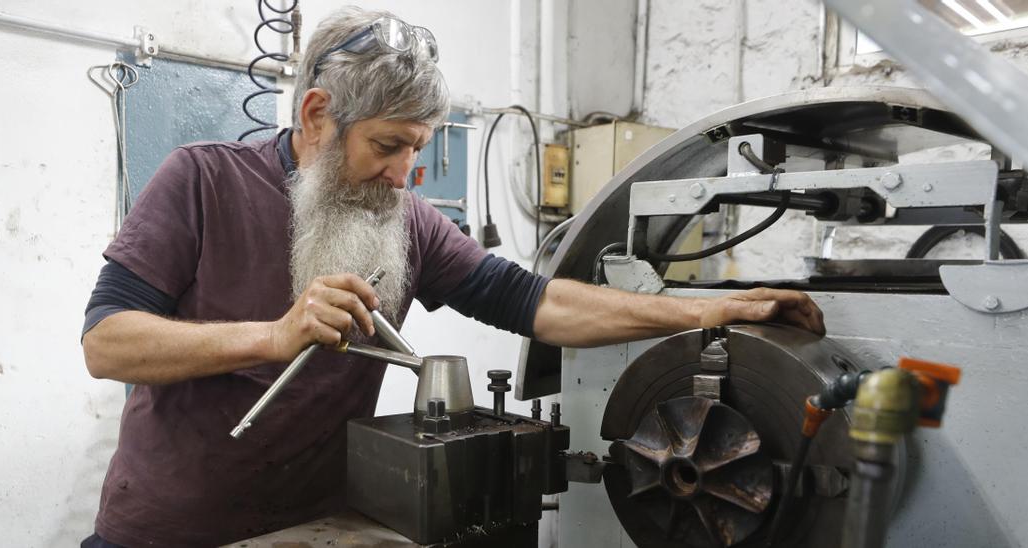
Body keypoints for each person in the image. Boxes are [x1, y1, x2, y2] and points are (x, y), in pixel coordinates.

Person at [78, 7, 825, 547]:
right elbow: (107, 344)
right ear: (315, 114)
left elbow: (533, 303)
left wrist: (702, 314)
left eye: (420, 149)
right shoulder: (201, 182)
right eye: (386, 145)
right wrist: (274, 337)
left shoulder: (407, 221)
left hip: (317, 529)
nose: (405, 175)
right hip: (167, 532)